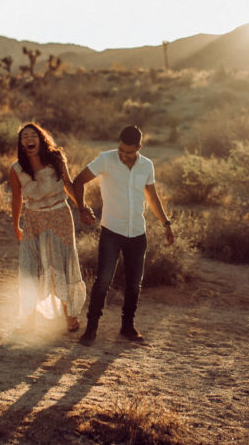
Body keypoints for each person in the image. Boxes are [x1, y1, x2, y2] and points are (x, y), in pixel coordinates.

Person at [73, 125, 175, 346]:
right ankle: (91, 330)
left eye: (128, 151)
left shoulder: (147, 165)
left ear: (138, 147)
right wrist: (82, 208)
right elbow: (78, 181)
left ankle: (127, 328)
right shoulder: (106, 159)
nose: (123, 154)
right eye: (120, 149)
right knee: (103, 281)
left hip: (138, 232)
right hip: (112, 231)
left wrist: (166, 224)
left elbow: (152, 197)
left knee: (134, 284)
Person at [9, 123, 86, 334]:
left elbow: (68, 185)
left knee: (62, 263)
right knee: (30, 266)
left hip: (60, 215)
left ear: (41, 139)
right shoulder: (16, 169)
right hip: (34, 219)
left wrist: (82, 207)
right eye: (25, 136)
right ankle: (29, 319)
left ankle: (70, 315)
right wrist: (16, 225)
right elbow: (16, 199)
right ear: (21, 143)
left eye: (33, 134)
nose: (29, 138)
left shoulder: (56, 159)